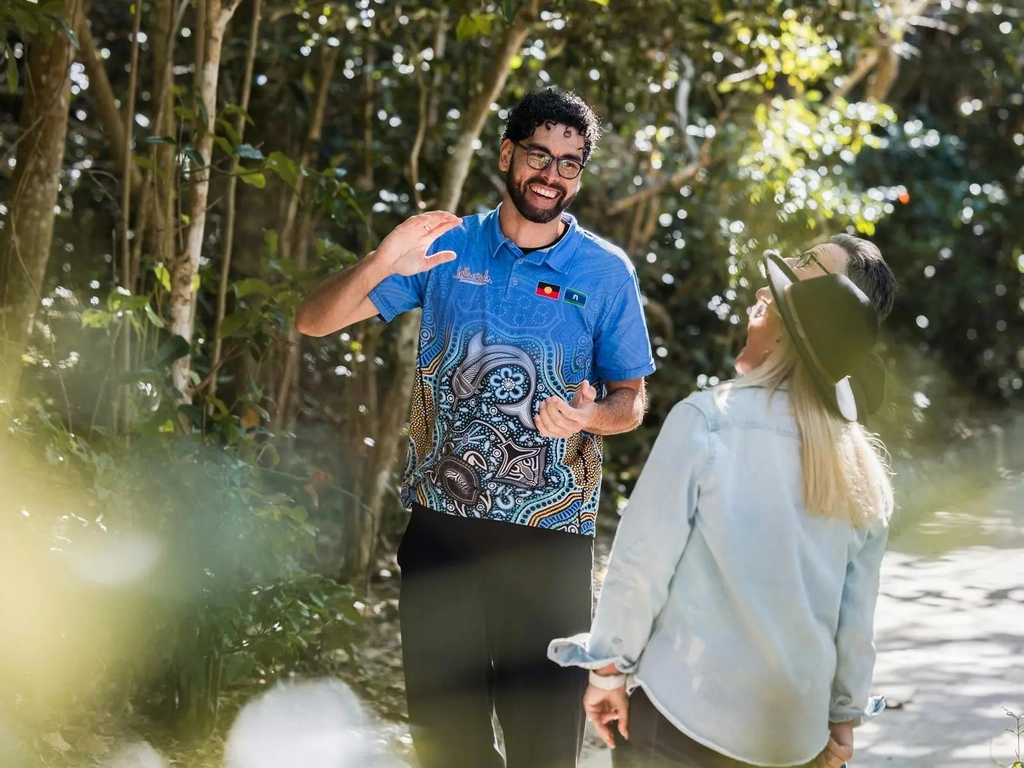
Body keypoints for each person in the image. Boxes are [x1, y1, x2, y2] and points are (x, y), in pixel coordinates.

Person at [295, 87, 656, 768]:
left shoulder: (606, 272)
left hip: (549, 541)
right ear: (507, 154)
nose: (552, 175)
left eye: (570, 163)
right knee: (446, 740)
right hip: (442, 532)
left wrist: (590, 417)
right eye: (539, 156)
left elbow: (631, 400)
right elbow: (312, 321)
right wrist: (379, 263)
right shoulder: (445, 248)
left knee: (542, 746)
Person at [548, 246, 897, 768]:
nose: (761, 294)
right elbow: (855, 620)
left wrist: (607, 672)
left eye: (779, 295)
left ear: (790, 331)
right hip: (792, 737)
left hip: (682, 717)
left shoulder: (707, 421)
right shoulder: (862, 468)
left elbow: (641, 566)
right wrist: (841, 721)